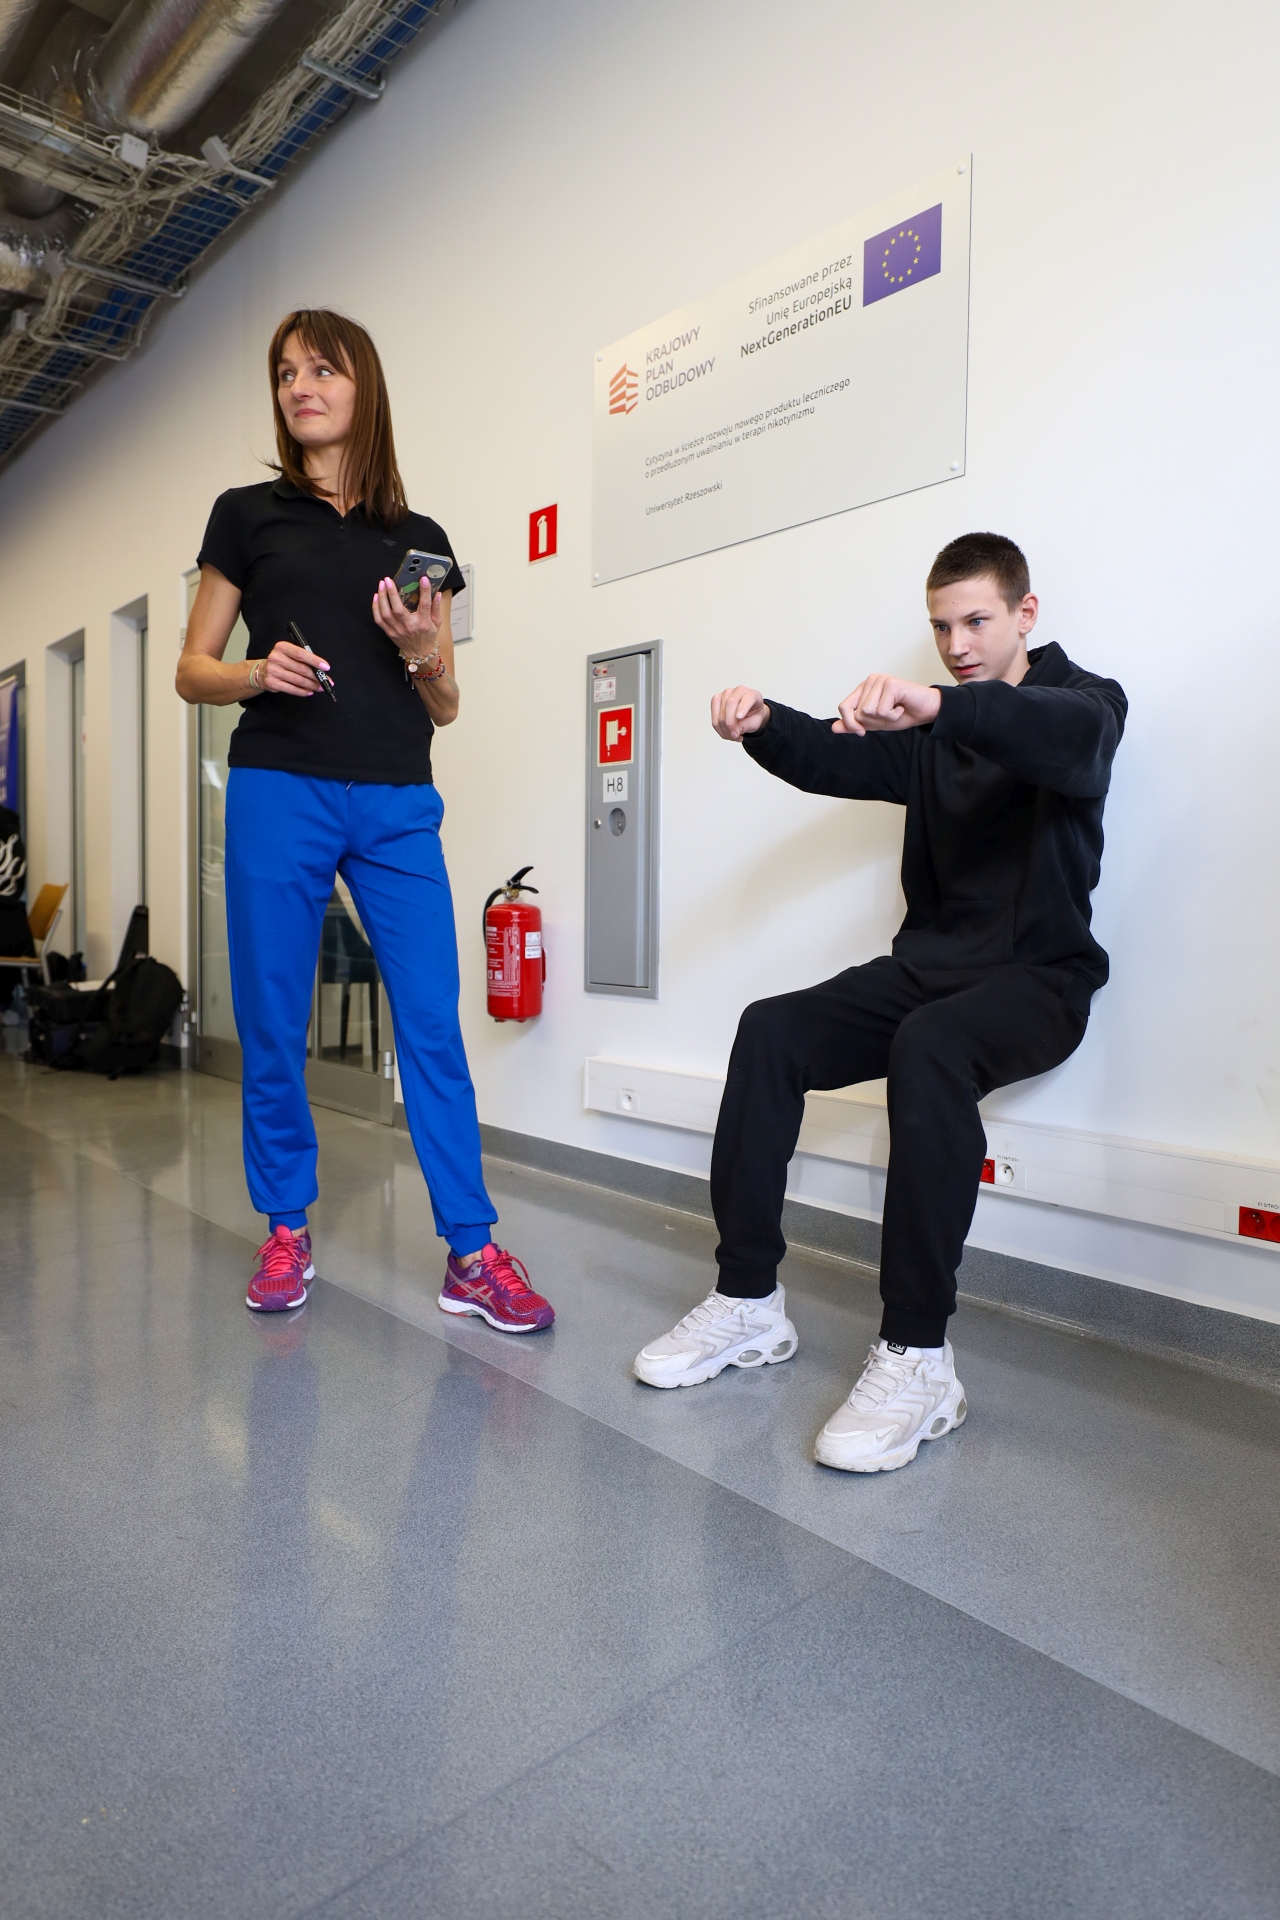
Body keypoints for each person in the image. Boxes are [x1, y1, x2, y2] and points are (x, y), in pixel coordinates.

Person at [634, 532, 1126, 1472]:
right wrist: (763, 722)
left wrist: (940, 706)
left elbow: (1060, 739)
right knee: (772, 1030)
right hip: (928, 969)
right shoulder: (933, 732)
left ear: (1026, 613)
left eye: (976, 621)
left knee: (931, 1046)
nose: (957, 644)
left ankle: (918, 1357)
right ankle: (747, 1302)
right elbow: (838, 758)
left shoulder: (1088, 703)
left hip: (1040, 980)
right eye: (941, 627)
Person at [176, 309, 553, 1332]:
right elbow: (192, 669)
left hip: (394, 798)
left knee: (430, 1017)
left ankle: (471, 1251)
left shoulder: (420, 543)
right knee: (272, 1018)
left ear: (362, 387)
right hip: (279, 786)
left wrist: (421, 646)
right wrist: (259, 670)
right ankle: (285, 1228)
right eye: (285, 373)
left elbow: (446, 703)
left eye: (322, 370)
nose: (300, 387)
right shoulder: (246, 516)